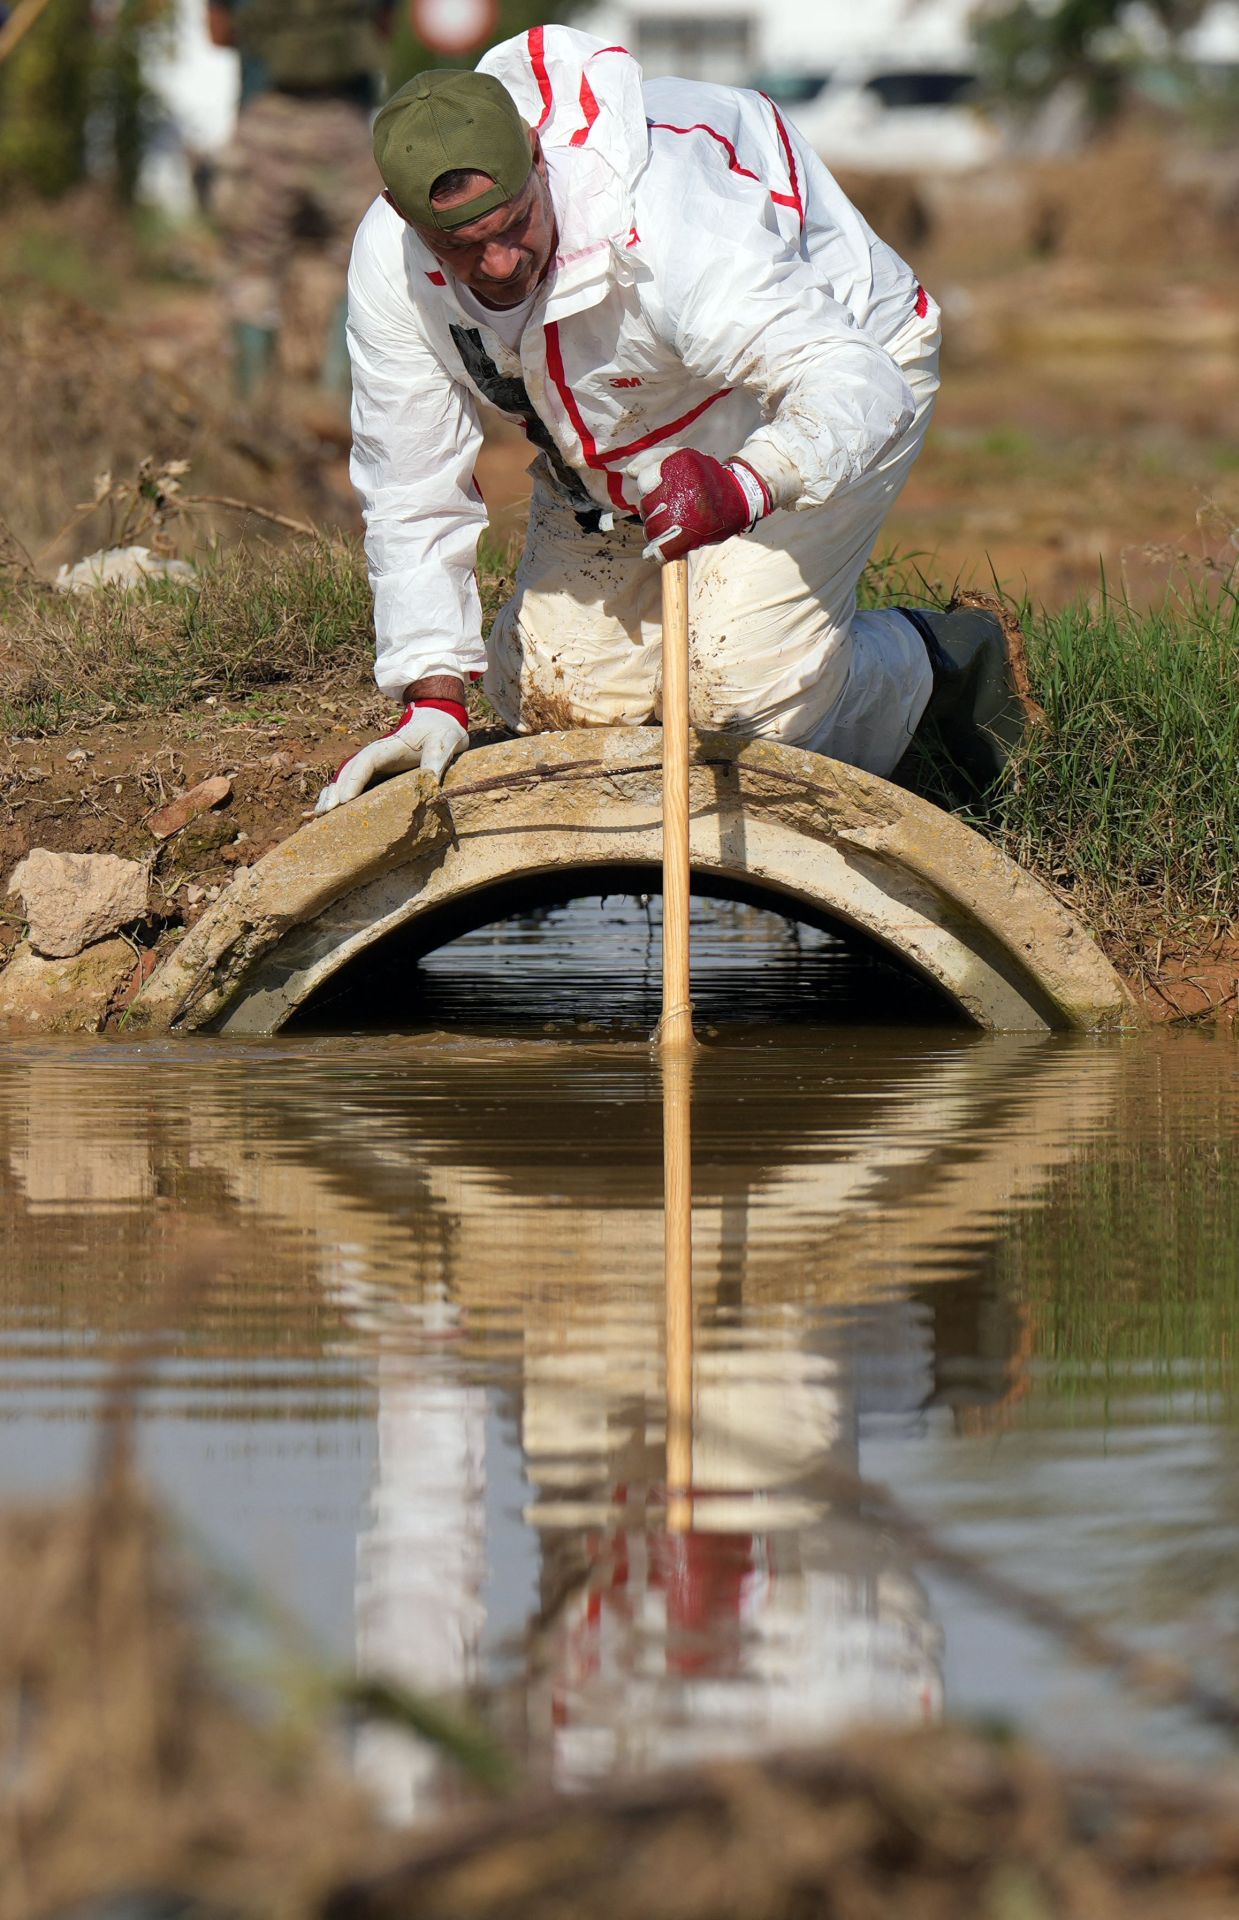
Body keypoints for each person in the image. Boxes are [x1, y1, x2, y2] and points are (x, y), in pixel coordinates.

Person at [317, 25, 1035, 813]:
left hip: (816, 376)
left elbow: (848, 380)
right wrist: (431, 697)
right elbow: (410, 479)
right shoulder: (392, 262)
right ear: (404, 217)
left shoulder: (671, 222)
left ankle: (939, 665)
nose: (498, 264)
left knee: (737, 706)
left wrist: (745, 483)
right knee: (553, 700)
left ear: (536, 156)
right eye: (461, 244)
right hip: (620, 417)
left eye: (514, 224)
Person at [207, 0, 392, 401]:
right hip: (344, 126)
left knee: (252, 265)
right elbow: (382, 28)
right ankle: (345, 404)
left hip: (265, 119)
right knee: (367, 260)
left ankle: (253, 410)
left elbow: (218, 33)